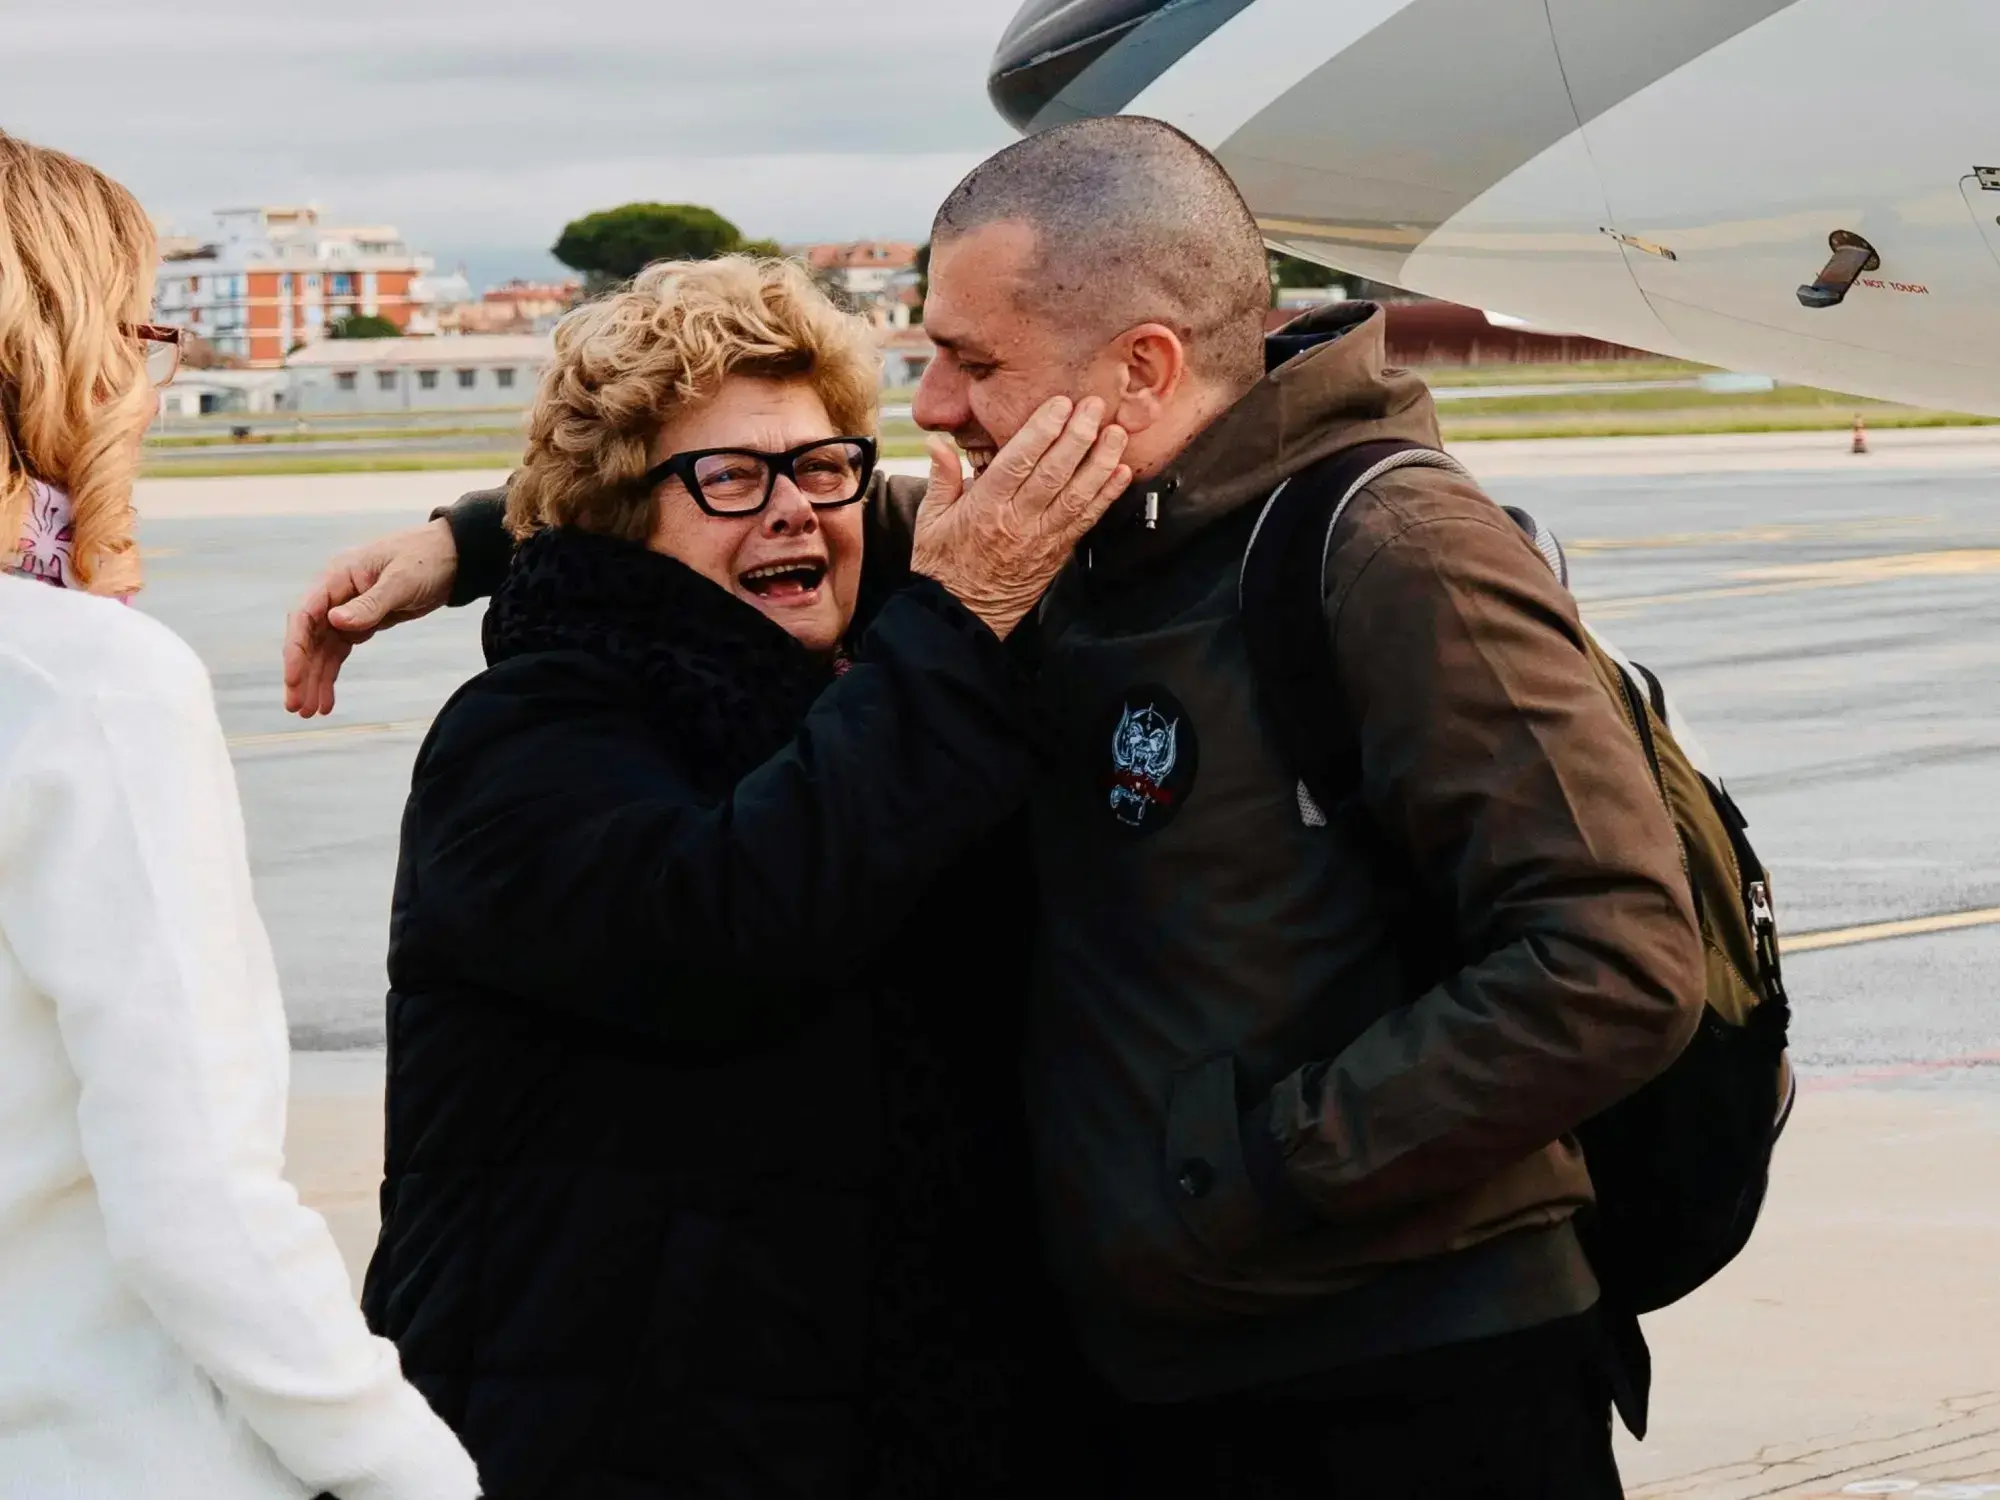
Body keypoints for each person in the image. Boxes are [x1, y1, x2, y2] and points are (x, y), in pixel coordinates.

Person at [285, 118, 1704, 1498]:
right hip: (1162, 1377)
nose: (937, 411)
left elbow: (1617, 956)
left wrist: (1254, 1171)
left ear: (1140, 371)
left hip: (1407, 1376)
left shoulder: (1386, 549)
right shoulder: (1079, 528)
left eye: (970, 362)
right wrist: (470, 540)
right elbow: (738, 498)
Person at [358, 254, 1130, 1499]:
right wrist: (956, 618)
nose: (791, 512)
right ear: (621, 513)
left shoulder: (843, 697)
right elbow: (729, 921)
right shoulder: (524, 732)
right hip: (599, 1436)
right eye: (728, 477)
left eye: (821, 467)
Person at [0, 132, 480, 1500]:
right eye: (143, 334)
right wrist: (409, 1470)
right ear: (64, 356)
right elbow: (193, 1198)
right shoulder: (80, 681)